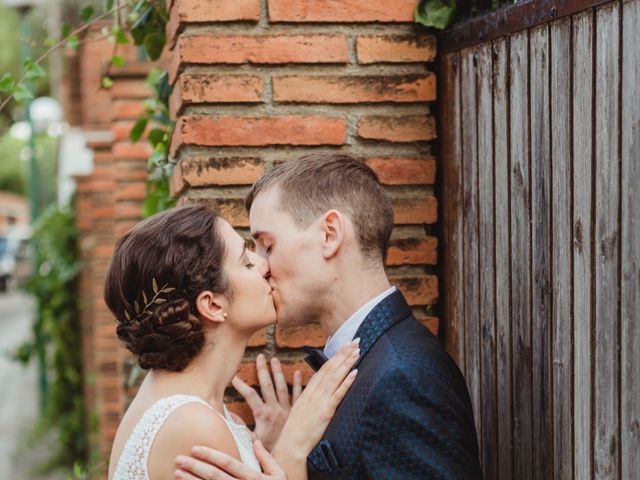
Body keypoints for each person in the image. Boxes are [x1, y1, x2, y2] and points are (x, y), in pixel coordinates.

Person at [175, 153, 482, 480]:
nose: (261, 266)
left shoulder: (404, 375)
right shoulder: (366, 362)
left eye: (267, 244)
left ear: (330, 235)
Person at [103, 205, 360, 480]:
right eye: (247, 262)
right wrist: (292, 447)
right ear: (212, 304)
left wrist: (267, 450)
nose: (263, 265)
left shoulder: (185, 403)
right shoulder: (192, 424)